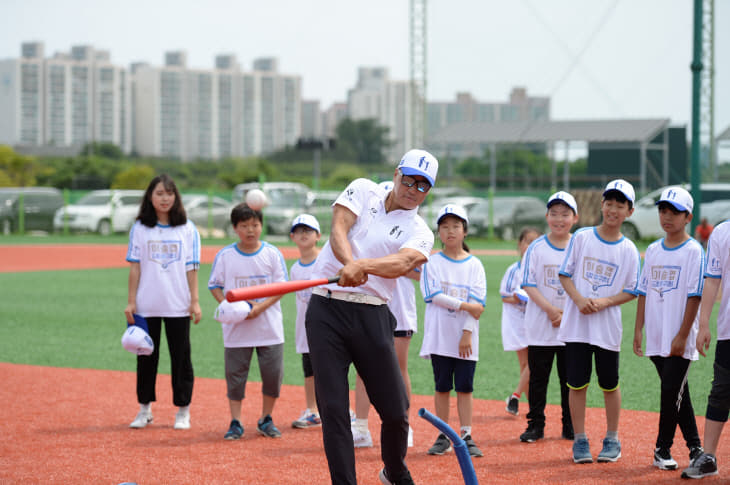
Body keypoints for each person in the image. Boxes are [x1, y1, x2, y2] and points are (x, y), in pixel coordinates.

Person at [305, 148, 438, 485]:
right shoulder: (363, 189)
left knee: (395, 410)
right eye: (409, 180)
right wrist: (349, 260)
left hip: (373, 313)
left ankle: (393, 471)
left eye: (422, 186)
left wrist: (361, 267)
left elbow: (403, 263)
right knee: (334, 410)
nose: (413, 190)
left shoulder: (421, 230)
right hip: (326, 309)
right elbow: (339, 226)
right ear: (397, 174)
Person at [558, 179, 641, 464]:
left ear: (629, 211)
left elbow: (632, 289)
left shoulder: (629, 249)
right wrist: (579, 300)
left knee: (609, 384)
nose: (613, 209)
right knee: (577, 384)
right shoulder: (582, 237)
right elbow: (565, 274)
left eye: (620, 205)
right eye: (609, 203)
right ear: (602, 205)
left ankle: (612, 438)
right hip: (577, 325)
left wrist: (605, 302)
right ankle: (580, 440)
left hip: (606, 328)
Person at [633, 186, 704, 471]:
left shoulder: (693, 251)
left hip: (679, 338)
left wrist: (683, 335)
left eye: (674, 212)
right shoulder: (652, 250)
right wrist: (638, 329)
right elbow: (643, 291)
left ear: (688, 216)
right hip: (657, 336)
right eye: (663, 210)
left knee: (670, 390)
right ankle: (696, 447)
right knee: (678, 392)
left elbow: (694, 296)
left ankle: (662, 448)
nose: (667, 216)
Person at [124, 173, 202, 430]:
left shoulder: (187, 228)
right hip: (147, 304)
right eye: (159, 193)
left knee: (181, 358)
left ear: (176, 197)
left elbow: (192, 268)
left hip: (178, 304)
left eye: (169, 193)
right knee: (146, 358)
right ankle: (144, 409)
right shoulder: (140, 228)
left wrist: (195, 301)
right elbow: (135, 267)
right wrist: (131, 302)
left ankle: (183, 410)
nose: (165, 198)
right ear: (150, 197)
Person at [208, 203, 289, 440]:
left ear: (261, 226)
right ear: (235, 228)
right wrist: (230, 307)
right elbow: (215, 285)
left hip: (269, 328)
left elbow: (281, 287)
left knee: (273, 376)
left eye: (255, 225)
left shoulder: (272, 253)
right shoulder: (225, 255)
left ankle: (266, 418)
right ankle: (235, 422)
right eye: (244, 226)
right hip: (236, 330)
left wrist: (259, 308)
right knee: (235, 377)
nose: (250, 230)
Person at [351, 180, 419, 449]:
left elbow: (419, 270)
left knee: (398, 367)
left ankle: (404, 423)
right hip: (367, 304)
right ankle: (360, 425)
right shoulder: (366, 233)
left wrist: (393, 264)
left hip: (399, 307)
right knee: (363, 367)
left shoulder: (411, 233)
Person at [420, 204, 486, 458]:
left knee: (465, 387)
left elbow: (478, 303)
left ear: (465, 231)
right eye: (444, 227)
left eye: (456, 226)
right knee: (442, 386)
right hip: (440, 336)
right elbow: (433, 295)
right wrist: (465, 305)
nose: (450, 231)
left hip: (466, 338)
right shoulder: (431, 262)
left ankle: (466, 434)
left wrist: (467, 331)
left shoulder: (475, 265)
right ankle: (444, 434)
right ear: (438, 232)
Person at [519, 192, 578, 443]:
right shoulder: (537, 247)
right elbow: (528, 283)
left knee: (570, 380)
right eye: (554, 214)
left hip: (572, 327)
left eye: (565, 214)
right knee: (538, 380)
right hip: (541, 326)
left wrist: (566, 312)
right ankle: (535, 425)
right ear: (546, 216)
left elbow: (584, 284)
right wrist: (551, 311)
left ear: (575, 218)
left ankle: (570, 424)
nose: (559, 219)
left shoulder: (580, 245)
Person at [681, 221, 730, 479]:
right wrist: (703, 324)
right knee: (721, 391)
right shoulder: (722, 232)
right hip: (728, 330)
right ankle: (708, 456)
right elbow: (712, 280)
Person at [501, 227, 542, 417]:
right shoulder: (513, 270)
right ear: (519, 244)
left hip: (535, 321)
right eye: (527, 242)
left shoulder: (540, 269)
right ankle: (527, 404)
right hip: (517, 322)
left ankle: (518, 399)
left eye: (535, 242)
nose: (530, 246)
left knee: (530, 366)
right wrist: (518, 298)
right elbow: (505, 296)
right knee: (528, 365)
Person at [288, 214, 323, 429]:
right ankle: (312, 410)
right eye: (299, 231)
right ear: (292, 236)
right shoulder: (295, 268)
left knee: (330, 372)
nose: (303, 234)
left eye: (308, 231)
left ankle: (343, 408)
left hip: (325, 327)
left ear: (318, 236)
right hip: (304, 328)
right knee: (309, 371)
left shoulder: (324, 262)